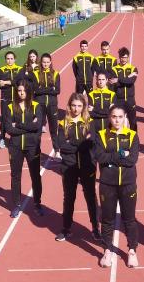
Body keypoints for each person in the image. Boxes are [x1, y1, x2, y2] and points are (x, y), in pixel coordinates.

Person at [93, 106, 140, 268]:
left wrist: (111, 159)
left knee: (130, 219)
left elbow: (132, 160)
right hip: (107, 184)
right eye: (114, 116)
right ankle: (107, 250)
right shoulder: (101, 136)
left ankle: (132, 250)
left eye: (120, 117)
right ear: (109, 118)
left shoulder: (132, 135)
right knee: (107, 219)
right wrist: (121, 154)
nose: (117, 120)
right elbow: (100, 157)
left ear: (125, 117)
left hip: (128, 184)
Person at [55, 93, 100, 241]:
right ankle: (66, 228)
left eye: (79, 106)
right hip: (69, 167)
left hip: (88, 166)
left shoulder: (90, 122)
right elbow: (61, 145)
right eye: (74, 105)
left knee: (91, 198)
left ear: (84, 107)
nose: (76, 109)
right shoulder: (63, 123)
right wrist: (80, 143)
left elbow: (92, 142)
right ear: (69, 106)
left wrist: (71, 142)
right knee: (69, 198)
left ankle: (95, 228)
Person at [4, 80, 44, 218]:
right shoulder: (10, 107)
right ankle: (16, 205)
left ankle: (37, 203)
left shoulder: (36, 106)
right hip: (15, 147)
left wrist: (19, 125)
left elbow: (37, 126)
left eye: (24, 91)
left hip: (32, 147)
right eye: (19, 90)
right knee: (16, 176)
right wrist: (28, 127)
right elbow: (9, 129)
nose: (21, 93)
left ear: (28, 91)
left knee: (35, 176)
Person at [32, 53, 61, 154]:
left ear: (50, 62)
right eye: (44, 62)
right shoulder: (35, 74)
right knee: (38, 129)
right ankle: (37, 150)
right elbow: (35, 90)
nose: (45, 64)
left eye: (48, 62)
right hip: (39, 105)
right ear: (41, 62)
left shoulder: (56, 74)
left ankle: (57, 150)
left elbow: (57, 90)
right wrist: (50, 88)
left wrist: (42, 89)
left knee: (54, 129)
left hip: (52, 105)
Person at [110, 47, 138, 131]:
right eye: (122, 57)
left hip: (130, 100)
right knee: (117, 122)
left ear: (128, 57)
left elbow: (131, 81)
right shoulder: (114, 69)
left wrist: (118, 79)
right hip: (119, 100)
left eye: (125, 57)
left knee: (133, 122)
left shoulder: (133, 69)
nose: (123, 59)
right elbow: (114, 83)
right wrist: (128, 77)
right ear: (119, 57)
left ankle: (134, 140)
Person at [0, 51, 22, 149]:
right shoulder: (1, 70)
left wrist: (7, 81)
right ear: (5, 59)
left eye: (11, 58)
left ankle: (17, 138)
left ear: (14, 59)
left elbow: (19, 82)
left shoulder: (20, 69)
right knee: (4, 119)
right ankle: (2, 139)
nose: (9, 60)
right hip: (5, 99)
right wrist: (13, 82)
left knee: (18, 118)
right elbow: (1, 84)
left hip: (17, 98)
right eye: (8, 58)